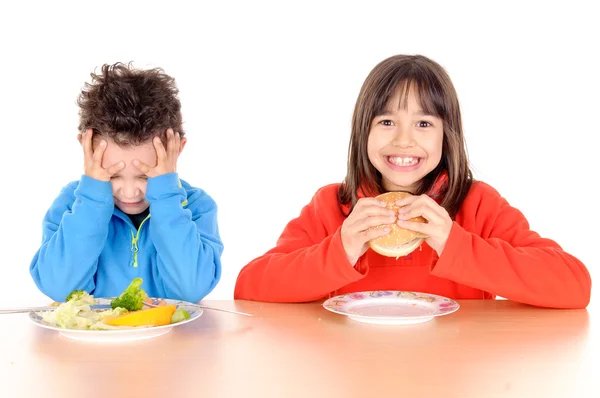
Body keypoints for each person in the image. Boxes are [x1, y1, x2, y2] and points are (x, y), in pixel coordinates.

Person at [234, 54, 591, 309]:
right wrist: (340, 249)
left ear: (446, 137)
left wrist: (454, 243)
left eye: (424, 124)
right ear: (363, 132)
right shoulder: (333, 205)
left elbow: (574, 285)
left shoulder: (477, 203)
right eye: (387, 122)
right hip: (355, 371)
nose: (404, 140)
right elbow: (250, 286)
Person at [30, 62, 223, 303]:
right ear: (87, 150)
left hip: (173, 341)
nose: (130, 192)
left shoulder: (195, 206)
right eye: (112, 177)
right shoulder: (73, 203)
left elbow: (190, 289)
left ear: (177, 151)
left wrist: (165, 194)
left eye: (146, 177)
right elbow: (60, 289)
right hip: (92, 340)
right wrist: (92, 197)